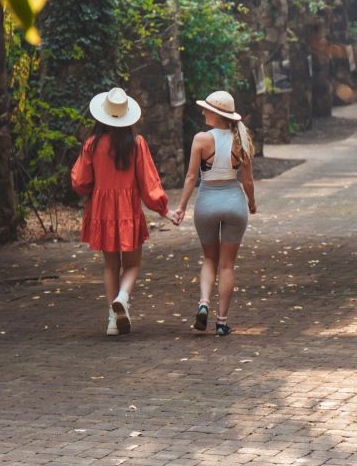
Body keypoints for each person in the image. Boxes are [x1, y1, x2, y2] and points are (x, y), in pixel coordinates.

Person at [71, 86, 175, 336]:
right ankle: (123, 298)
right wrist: (164, 209)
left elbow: (80, 182)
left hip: (101, 210)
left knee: (110, 265)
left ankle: (112, 320)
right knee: (132, 263)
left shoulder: (92, 144)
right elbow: (148, 183)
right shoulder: (137, 143)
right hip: (128, 209)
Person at [169, 90, 256, 336]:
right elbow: (248, 181)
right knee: (227, 265)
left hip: (207, 203)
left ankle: (204, 303)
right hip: (234, 204)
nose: (203, 112)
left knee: (210, 259)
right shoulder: (243, 139)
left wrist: (182, 207)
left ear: (216, 115)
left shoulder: (201, 139)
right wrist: (251, 203)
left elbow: (191, 177)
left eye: (207, 109)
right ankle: (221, 322)